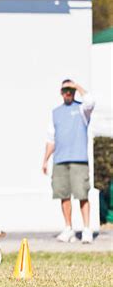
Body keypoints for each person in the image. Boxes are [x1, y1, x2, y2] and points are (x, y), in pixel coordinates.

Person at [42, 79, 95, 244]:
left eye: (71, 90)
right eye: (65, 90)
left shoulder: (81, 109)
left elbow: (91, 101)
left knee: (82, 194)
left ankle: (86, 230)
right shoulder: (56, 112)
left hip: (78, 160)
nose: (68, 93)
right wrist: (45, 160)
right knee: (63, 196)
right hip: (60, 160)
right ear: (61, 92)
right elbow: (51, 139)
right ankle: (68, 229)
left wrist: (77, 85)